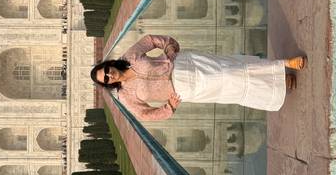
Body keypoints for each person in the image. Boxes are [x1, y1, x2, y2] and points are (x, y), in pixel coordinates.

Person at [90, 35, 306, 121]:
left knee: (230, 68)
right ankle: (277, 85)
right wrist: (168, 109)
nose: (109, 75)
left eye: (106, 70)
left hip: (185, 64)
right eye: (106, 79)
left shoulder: (129, 57)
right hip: (185, 89)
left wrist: (170, 48)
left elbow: (151, 40)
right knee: (231, 86)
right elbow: (144, 115)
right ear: (108, 84)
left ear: (108, 64)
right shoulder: (126, 96)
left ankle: (283, 64)